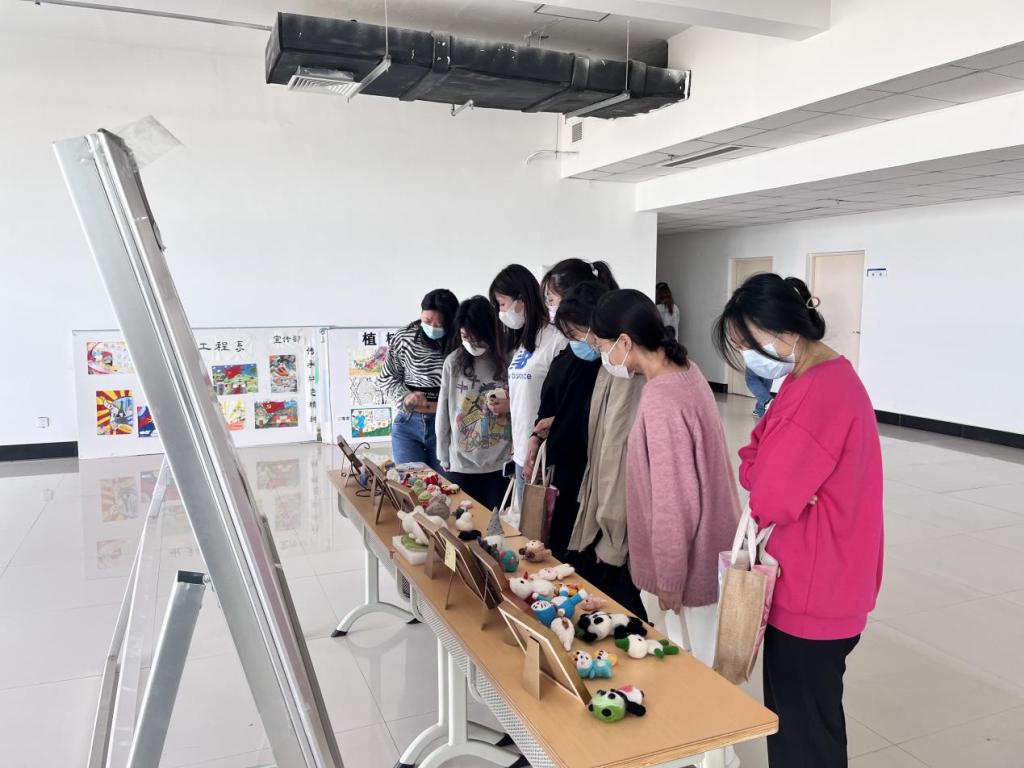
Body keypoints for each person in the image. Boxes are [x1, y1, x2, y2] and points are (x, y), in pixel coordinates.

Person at [713, 274, 883, 768]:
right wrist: (763, 468)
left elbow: (769, 495)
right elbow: (754, 458)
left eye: (749, 343)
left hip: (814, 591)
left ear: (786, 330)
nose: (749, 354)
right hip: (827, 578)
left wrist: (764, 470)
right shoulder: (814, 378)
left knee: (804, 738)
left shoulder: (818, 393)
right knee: (807, 725)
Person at [591, 289, 741, 666]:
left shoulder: (662, 399)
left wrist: (670, 579)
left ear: (625, 342)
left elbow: (674, 501)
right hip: (711, 547)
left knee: (691, 668)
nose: (604, 357)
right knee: (704, 661)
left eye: (603, 347)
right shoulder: (686, 369)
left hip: (691, 566)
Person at [555, 282, 648, 620]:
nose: (589, 345)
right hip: (595, 506)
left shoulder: (630, 377)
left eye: (592, 338)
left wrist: (610, 536)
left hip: (613, 520)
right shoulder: (608, 371)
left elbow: (615, 458)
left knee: (614, 603)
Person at [523, 259, 617, 560]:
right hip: (560, 471)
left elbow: (596, 420)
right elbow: (552, 403)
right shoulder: (570, 351)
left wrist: (557, 422)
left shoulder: (607, 361)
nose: (550, 308)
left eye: (552, 299)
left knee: (581, 559)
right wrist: (537, 435)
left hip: (588, 479)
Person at [489, 265, 567, 510]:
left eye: (502, 304)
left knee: (538, 529)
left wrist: (540, 441)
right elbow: (527, 396)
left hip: (545, 457)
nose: (501, 312)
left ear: (521, 300)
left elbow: (562, 402)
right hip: (522, 453)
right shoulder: (523, 343)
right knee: (524, 527)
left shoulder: (557, 340)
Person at [435, 296, 513, 510]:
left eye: (476, 338)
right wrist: (443, 455)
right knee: (464, 522)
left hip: (501, 462)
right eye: (465, 337)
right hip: (462, 463)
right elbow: (444, 411)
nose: (471, 344)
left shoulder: (509, 358)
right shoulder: (454, 362)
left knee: (498, 524)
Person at [379, 288, 459, 472]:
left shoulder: (460, 341)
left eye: (439, 324)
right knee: (411, 482)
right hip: (409, 423)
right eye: (427, 321)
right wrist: (405, 397)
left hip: (448, 424)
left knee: (446, 484)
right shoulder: (405, 337)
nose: (432, 327)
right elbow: (387, 377)